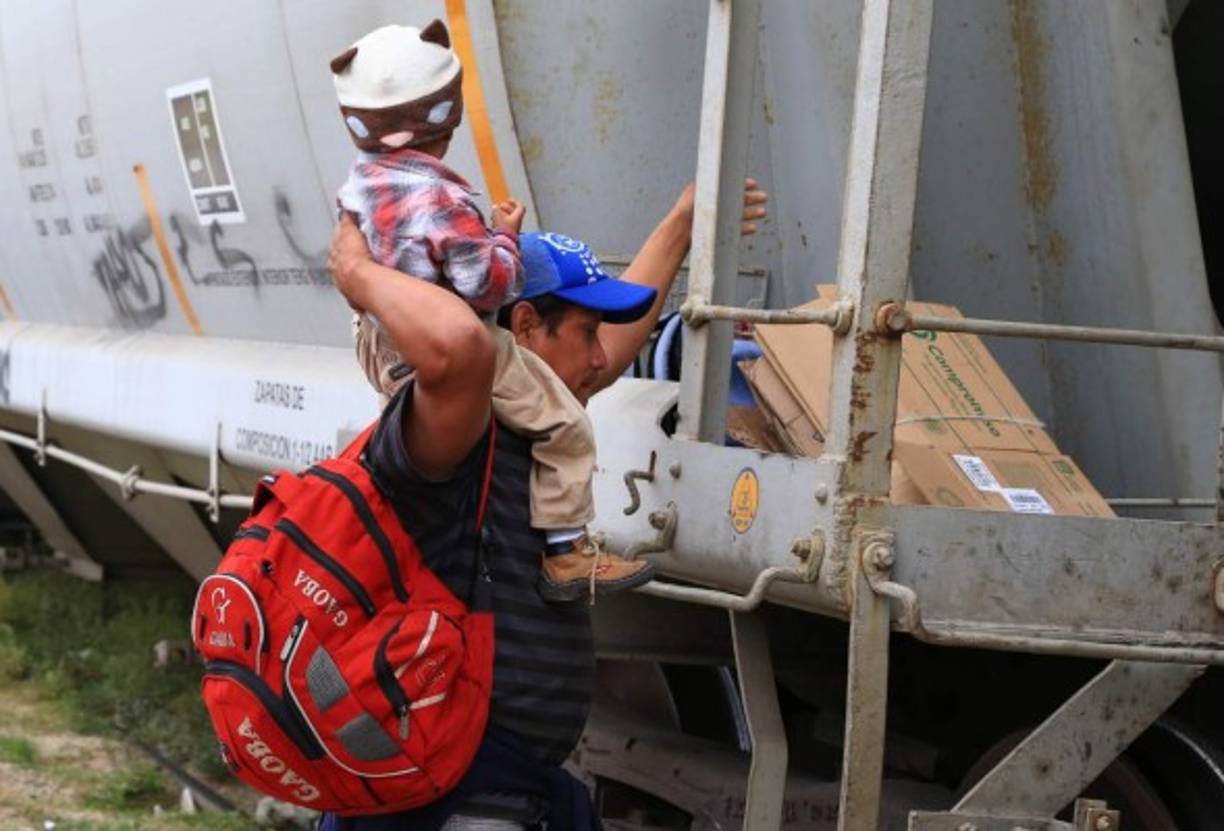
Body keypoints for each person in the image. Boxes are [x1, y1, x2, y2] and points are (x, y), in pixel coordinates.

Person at [324, 179, 767, 830]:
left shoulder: (534, 415)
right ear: (523, 327)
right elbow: (457, 354)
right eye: (585, 330)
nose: (600, 357)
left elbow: (610, 351)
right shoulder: (450, 428)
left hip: (500, 785)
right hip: (452, 794)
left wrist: (679, 224)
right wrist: (359, 273)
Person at [331, 19, 652, 600]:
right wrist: (503, 237)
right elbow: (487, 287)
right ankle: (565, 551)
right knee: (566, 425)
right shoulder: (442, 199)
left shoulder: (357, 187)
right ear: (444, 115)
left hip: (382, 339)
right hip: (446, 336)